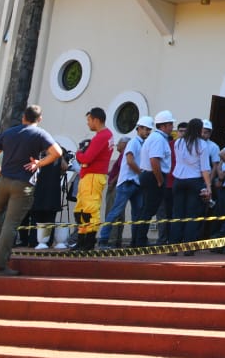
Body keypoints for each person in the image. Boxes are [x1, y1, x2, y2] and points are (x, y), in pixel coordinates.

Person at [0, 104, 63, 276]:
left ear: (23, 117)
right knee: (11, 223)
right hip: (23, 183)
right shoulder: (40, 134)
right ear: (40, 119)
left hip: (4, 181)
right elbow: (57, 152)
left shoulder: (8, 133)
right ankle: (0, 265)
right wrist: (39, 163)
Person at [101, 117, 150, 249]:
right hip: (128, 182)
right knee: (116, 211)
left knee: (136, 214)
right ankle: (103, 239)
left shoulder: (142, 144)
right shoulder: (134, 142)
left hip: (136, 183)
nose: (147, 132)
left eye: (149, 129)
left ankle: (135, 242)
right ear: (138, 129)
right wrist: (141, 174)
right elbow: (129, 161)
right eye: (145, 129)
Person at [169, 118, 215, 254]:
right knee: (192, 215)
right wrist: (208, 187)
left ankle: (173, 247)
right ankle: (188, 248)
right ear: (200, 129)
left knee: (177, 214)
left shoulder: (178, 142)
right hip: (194, 180)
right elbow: (205, 168)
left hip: (178, 179)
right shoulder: (202, 144)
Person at [73, 107, 113, 251]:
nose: (88, 123)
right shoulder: (106, 135)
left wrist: (78, 153)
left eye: (89, 120)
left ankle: (87, 243)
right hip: (91, 176)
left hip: (92, 177)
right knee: (82, 210)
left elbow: (87, 158)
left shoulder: (101, 136)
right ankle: (82, 241)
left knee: (89, 210)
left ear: (96, 120)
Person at [133, 110, 174, 247]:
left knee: (146, 210)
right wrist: (160, 180)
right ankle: (140, 241)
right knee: (148, 210)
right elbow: (154, 160)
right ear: (163, 125)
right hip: (153, 175)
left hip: (149, 175)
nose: (172, 127)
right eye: (170, 124)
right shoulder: (158, 139)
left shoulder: (155, 138)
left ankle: (138, 240)